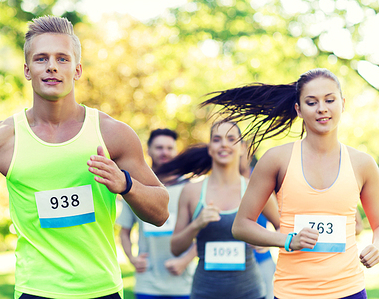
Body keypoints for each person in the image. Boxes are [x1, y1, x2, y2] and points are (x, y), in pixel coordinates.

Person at [0, 15, 169, 299]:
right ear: (27, 70)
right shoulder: (1, 139)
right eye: (42, 59)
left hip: (102, 290)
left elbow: (161, 211)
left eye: (62, 58)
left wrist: (125, 184)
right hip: (34, 290)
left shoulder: (112, 134)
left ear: (77, 70)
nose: (52, 65)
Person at [203, 68, 379, 298]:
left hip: (349, 290)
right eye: (311, 102)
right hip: (292, 292)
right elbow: (241, 225)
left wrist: (376, 246)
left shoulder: (363, 163)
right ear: (298, 109)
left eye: (330, 100)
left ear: (342, 103)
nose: (322, 108)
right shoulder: (277, 159)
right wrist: (287, 240)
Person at [158, 121, 279, 299]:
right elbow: (175, 248)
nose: (224, 144)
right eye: (217, 139)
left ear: (242, 148)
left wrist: (267, 241)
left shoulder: (255, 189)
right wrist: (196, 224)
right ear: (210, 148)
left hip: (250, 293)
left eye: (231, 139)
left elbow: (284, 229)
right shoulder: (192, 191)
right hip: (204, 293)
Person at [117, 128, 195, 299]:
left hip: (182, 285)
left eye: (169, 148)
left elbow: (204, 231)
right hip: (148, 285)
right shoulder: (135, 188)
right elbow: (124, 231)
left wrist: (185, 261)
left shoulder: (189, 187)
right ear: (148, 150)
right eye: (159, 148)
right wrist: (132, 258)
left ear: (176, 151)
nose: (164, 152)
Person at [240, 153, 276, 299]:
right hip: (227, 267)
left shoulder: (262, 175)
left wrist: (269, 240)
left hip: (261, 258)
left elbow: (281, 219)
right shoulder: (217, 183)